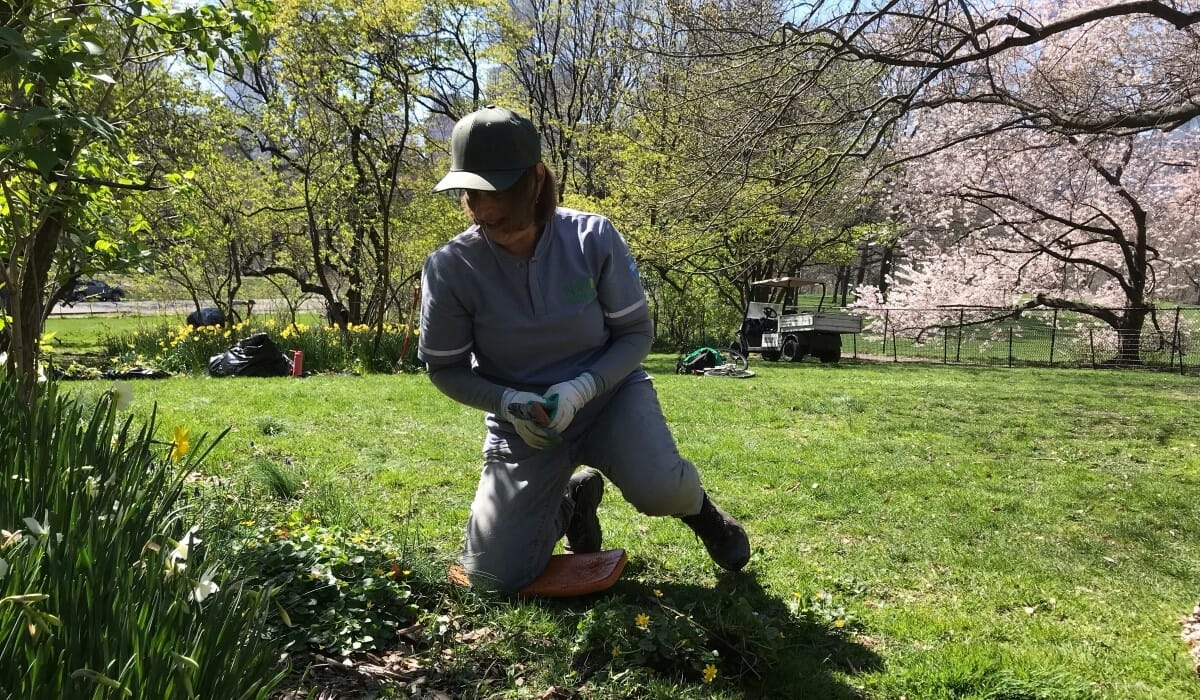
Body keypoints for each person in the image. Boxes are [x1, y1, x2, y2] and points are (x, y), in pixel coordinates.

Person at [418, 105, 750, 593]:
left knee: (658, 487)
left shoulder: (593, 238)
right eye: (472, 198)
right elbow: (444, 368)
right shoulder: (450, 268)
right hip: (523, 424)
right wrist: (508, 404)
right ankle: (572, 501)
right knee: (490, 575)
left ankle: (704, 515)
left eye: (500, 202)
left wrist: (581, 388)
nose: (485, 210)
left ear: (535, 181)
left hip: (609, 395)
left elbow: (636, 334)